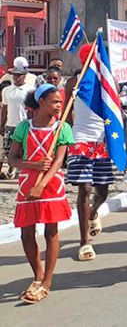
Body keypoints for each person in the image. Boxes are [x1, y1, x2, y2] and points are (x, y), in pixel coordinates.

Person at [10, 85, 74, 304]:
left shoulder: (62, 128)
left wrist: (42, 184)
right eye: (54, 102)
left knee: (51, 231)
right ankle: (37, 275)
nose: (59, 106)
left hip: (51, 184)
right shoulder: (24, 127)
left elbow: (58, 161)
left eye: (60, 102)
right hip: (28, 182)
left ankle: (47, 281)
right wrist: (33, 165)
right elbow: (12, 159)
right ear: (41, 102)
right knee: (26, 232)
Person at [64, 45, 116, 261]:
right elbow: (66, 113)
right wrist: (67, 138)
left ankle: (93, 213)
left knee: (102, 192)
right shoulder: (73, 82)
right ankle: (84, 242)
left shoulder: (108, 82)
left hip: (102, 142)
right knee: (84, 189)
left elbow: (115, 111)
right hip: (80, 140)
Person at [1, 64, 34, 181]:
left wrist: (32, 124)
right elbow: (5, 109)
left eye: (19, 75)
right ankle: (12, 169)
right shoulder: (6, 90)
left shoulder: (30, 90)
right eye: (15, 75)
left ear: (25, 76)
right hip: (10, 124)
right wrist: (2, 124)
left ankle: (23, 172)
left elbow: (33, 110)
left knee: (24, 150)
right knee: (8, 149)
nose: (17, 77)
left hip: (24, 124)